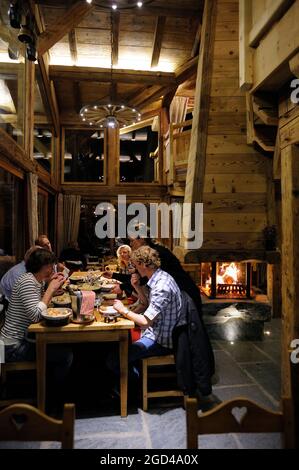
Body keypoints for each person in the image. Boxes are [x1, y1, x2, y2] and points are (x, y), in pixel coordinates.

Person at [108, 246, 182, 379]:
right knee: (117, 346)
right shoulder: (160, 276)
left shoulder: (161, 287)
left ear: (143, 264)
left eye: (136, 265)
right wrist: (136, 286)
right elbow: (147, 304)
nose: (134, 269)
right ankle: (136, 375)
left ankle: (134, 384)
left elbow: (145, 321)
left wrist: (122, 310)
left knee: (114, 359)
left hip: (161, 340)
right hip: (155, 331)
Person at [0, 248, 73, 382]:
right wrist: (50, 289)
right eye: (50, 266)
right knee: (66, 355)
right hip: (12, 346)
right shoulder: (28, 282)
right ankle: (51, 394)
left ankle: (46, 384)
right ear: (42, 266)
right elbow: (35, 316)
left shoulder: (33, 280)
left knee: (58, 344)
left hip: (19, 340)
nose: (52, 269)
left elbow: (36, 303)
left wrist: (48, 283)